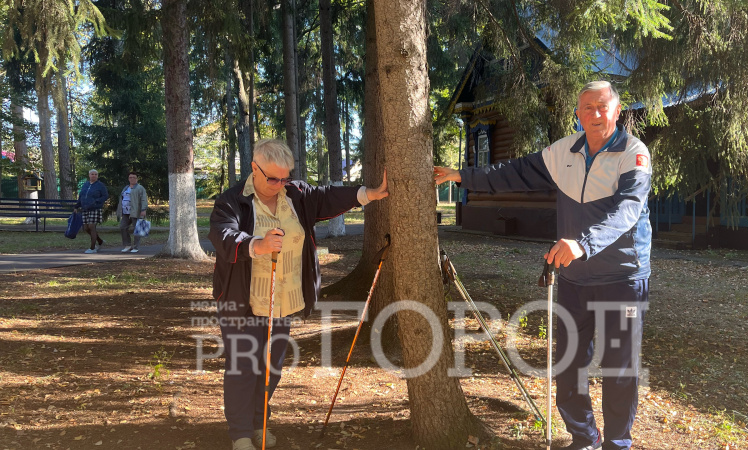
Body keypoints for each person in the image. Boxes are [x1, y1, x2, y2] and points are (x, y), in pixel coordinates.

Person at [434, 80, 651, 450]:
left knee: (619, 369)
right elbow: (513, 172)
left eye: (603, 107)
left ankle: (618, 444)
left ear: (617, 111)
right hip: (573, 279)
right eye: (587, 108)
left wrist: (583, 244)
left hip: (622, 277)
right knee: (568, 366)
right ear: (578, 114)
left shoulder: (633, 153)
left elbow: (628, 209)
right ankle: (584, 438)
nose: (595, 114)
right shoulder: (563, 151)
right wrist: (460, 176)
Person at [208, 138, 388, 450]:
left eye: (284, 178)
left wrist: (367, 195)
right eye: (272, 178)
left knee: (272, 368)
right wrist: (258, 245)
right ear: (254, 168)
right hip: (243, 301)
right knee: (243, 367)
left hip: (284, 299)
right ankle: (239, 433)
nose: (279, 185)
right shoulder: (231, 201)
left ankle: (258, 422)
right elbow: (223, 236)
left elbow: (328, 197)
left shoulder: (297, 194)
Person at [75, 169, 109, 254]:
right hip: (85, 208)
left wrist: (96, 201)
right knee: (86, 228)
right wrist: (77, 206)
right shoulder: (85, 184)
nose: (94, 176)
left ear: (97, 176)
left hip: (95, 208)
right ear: (89, 175)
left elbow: (105, 196)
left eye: (95, 174)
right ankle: (100, 241)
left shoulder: (100, 185)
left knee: (91, 226)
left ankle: (93, 247)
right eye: (92, 174)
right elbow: (81, 195)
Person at [118, 171, 148, 253]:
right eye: (130, 177)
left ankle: (136, 247)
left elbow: (144, 199)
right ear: (128, 179)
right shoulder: (125, 188)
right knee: (123, 227)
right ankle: (127, 245)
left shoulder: (140, 188)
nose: (132, 179)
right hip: (125, 212)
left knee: (137, 229)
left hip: (136, 211)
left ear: (137, 179)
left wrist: (143, 209)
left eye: (134, 177)